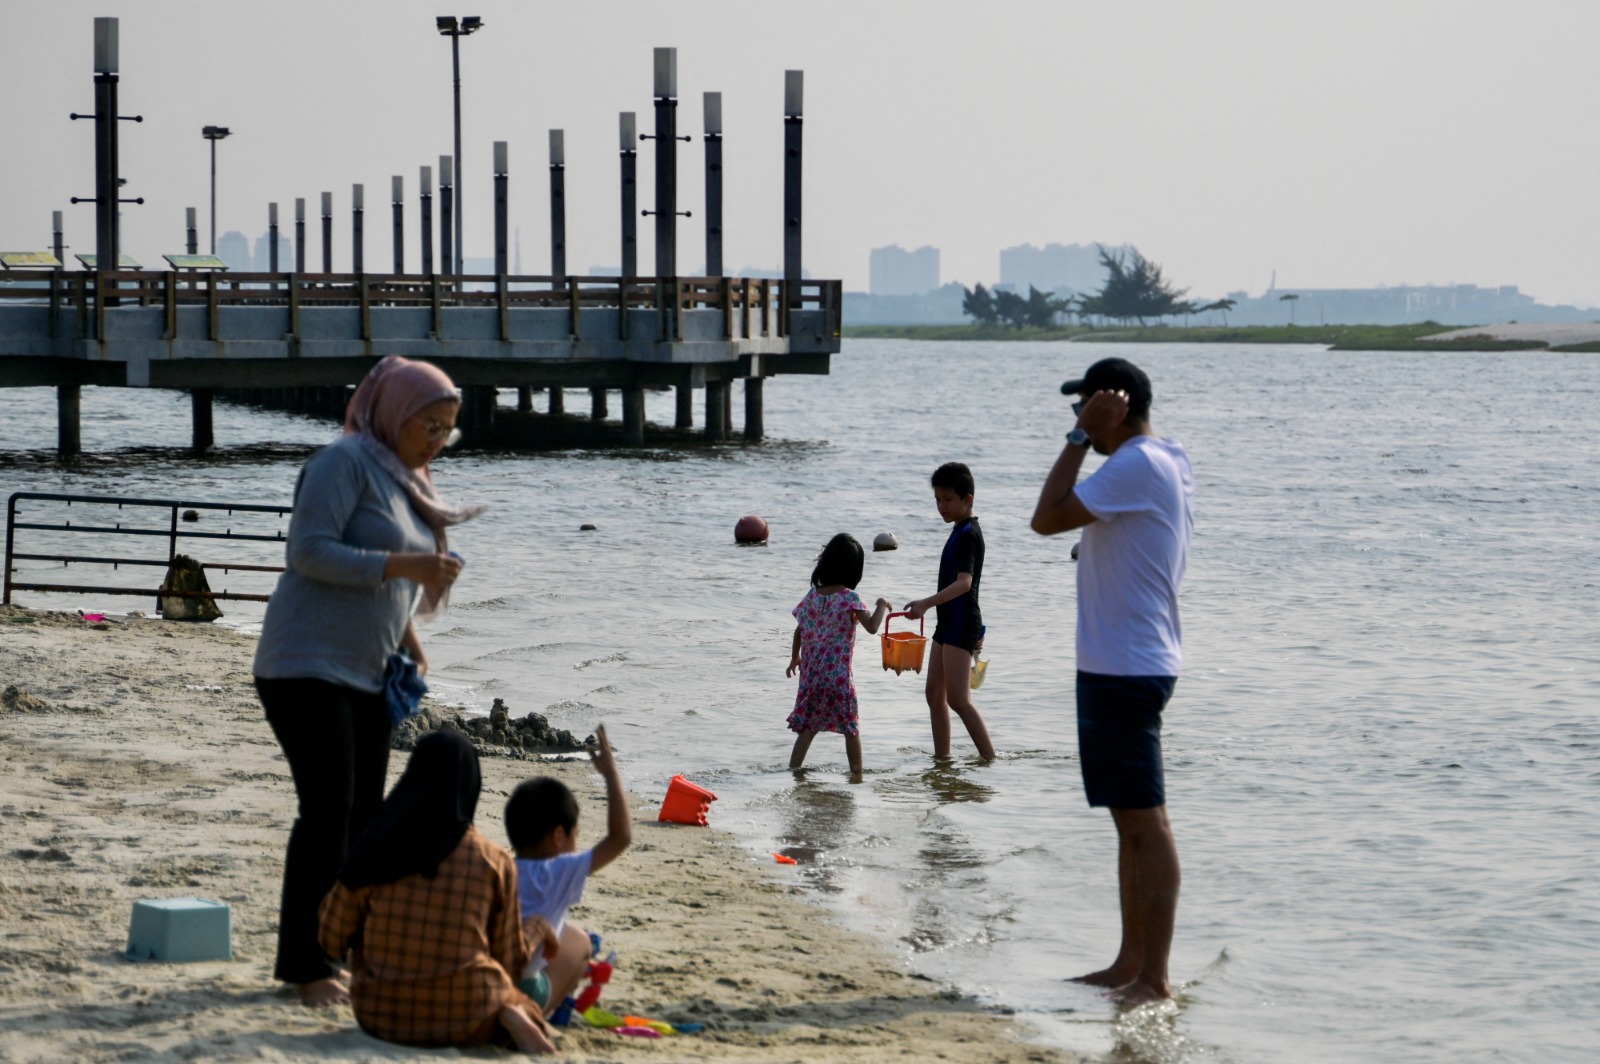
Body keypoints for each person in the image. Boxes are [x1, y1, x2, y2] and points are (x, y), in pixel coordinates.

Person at [253, 355, 482, 1007]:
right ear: (392, 412)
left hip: (367, 672)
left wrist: (407, 634)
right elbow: (308, 551)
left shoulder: (405, 476)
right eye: (428, 425)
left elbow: (393, 581)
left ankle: (343, 947)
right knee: (327, 811)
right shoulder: (345, 461)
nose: (436, 440)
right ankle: (304, 965)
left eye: (446, 429)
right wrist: (408, 562)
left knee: (363, 823)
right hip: (302, 664)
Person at [1029, 356, 1194, 1004]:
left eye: (1085, 407)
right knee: (1129, 824)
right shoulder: (1166, 457)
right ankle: (1130, 961)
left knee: (1145, 823)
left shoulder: (1135, 463)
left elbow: (1045, 518)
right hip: (1123, 660)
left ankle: (1153, 977)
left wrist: (1076, 441)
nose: (1077, 418)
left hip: (1127, 665)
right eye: (1076, 412)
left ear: (1115, 406)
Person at [318, 731, 555, 1053]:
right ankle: (513, 1017)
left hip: (379, 1016)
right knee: (535, 988)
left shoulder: (373, 849)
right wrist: (539, 925)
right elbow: (509, 961)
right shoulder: (493, 861)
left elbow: (330, 938)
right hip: (469, 1017)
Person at [504, 724, 632, 1016]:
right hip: (522, 992)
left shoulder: (503, 867)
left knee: (569, 932)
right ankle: (553, 1006)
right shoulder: (559, 869)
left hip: (491, 976)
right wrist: (611, 774)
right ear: (559, 836)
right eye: (576, 834)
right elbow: (620, 838)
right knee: (582, 943)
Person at [904, 463, 996, 761]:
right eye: (937, 500)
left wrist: (926, 604)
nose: (941, 507)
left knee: (958, 699)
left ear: (967, 499)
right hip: (948, 623)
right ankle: (942, 761)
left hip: (960, 622)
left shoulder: (968, 533)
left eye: (948, 500)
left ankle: (990, 758)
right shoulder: (959, 530)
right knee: (934, 694)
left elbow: (965, 584)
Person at [785, 533, 893, 777]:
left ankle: (793, 772)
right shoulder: (849, 598)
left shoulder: (811, 597)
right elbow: (873, 627)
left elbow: (799, 630)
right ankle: (857, 775)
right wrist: (883, 604)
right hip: (838, 678)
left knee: (808, 728)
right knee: (850, 728)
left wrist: (795, 658)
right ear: (854, 570)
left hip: (811, 678)